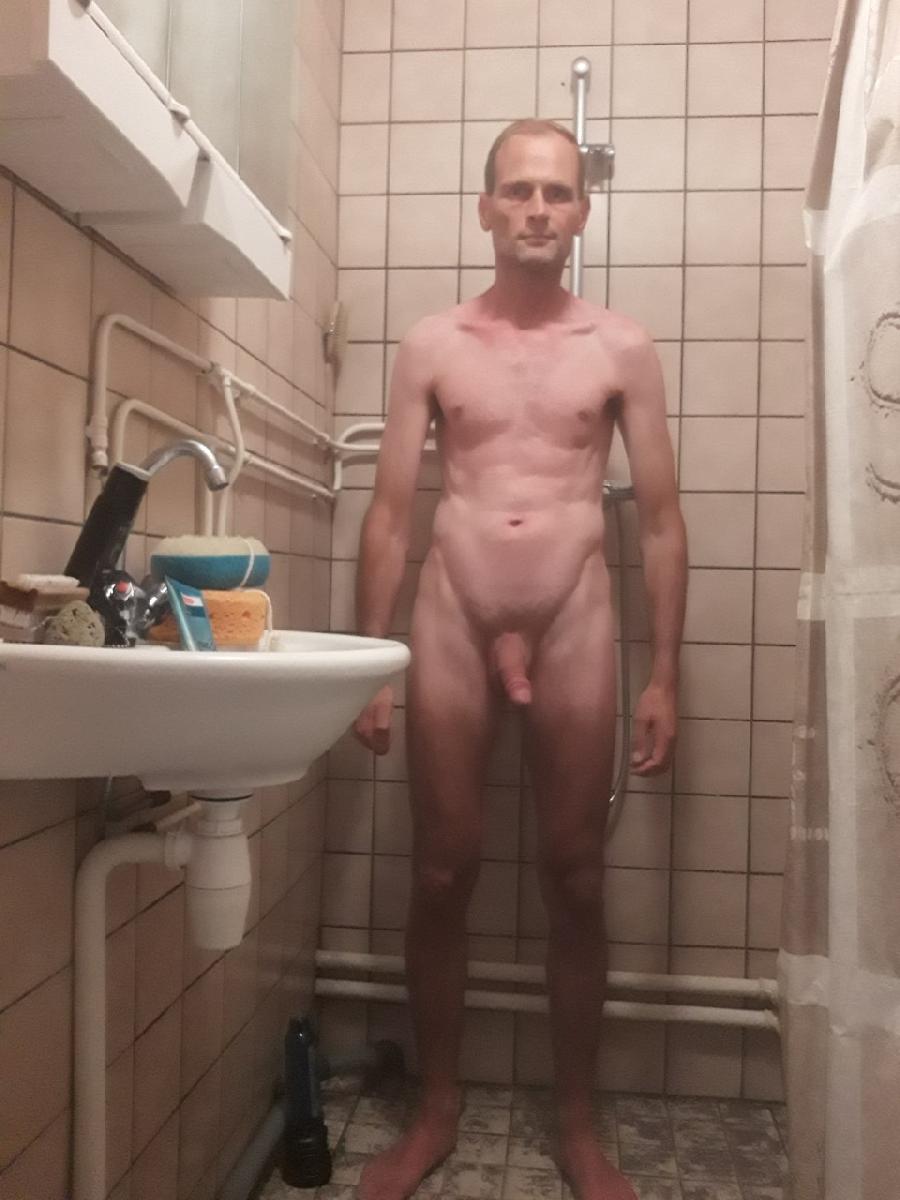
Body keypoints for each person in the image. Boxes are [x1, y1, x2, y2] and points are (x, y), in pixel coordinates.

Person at [351, 118, 688, 1200]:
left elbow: (663, 522)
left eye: (557, 192)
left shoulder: (620, 347)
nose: (538, 209)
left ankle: (578, 1124)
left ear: (583, 211)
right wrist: (373, 665)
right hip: (451, 612)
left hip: (574, 612)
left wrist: (664, 674)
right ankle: (437, 1108)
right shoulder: (433, 344)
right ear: (486, 208)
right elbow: (391, 514)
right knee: (442, 869)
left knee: (577, 875)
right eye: (518, 190)